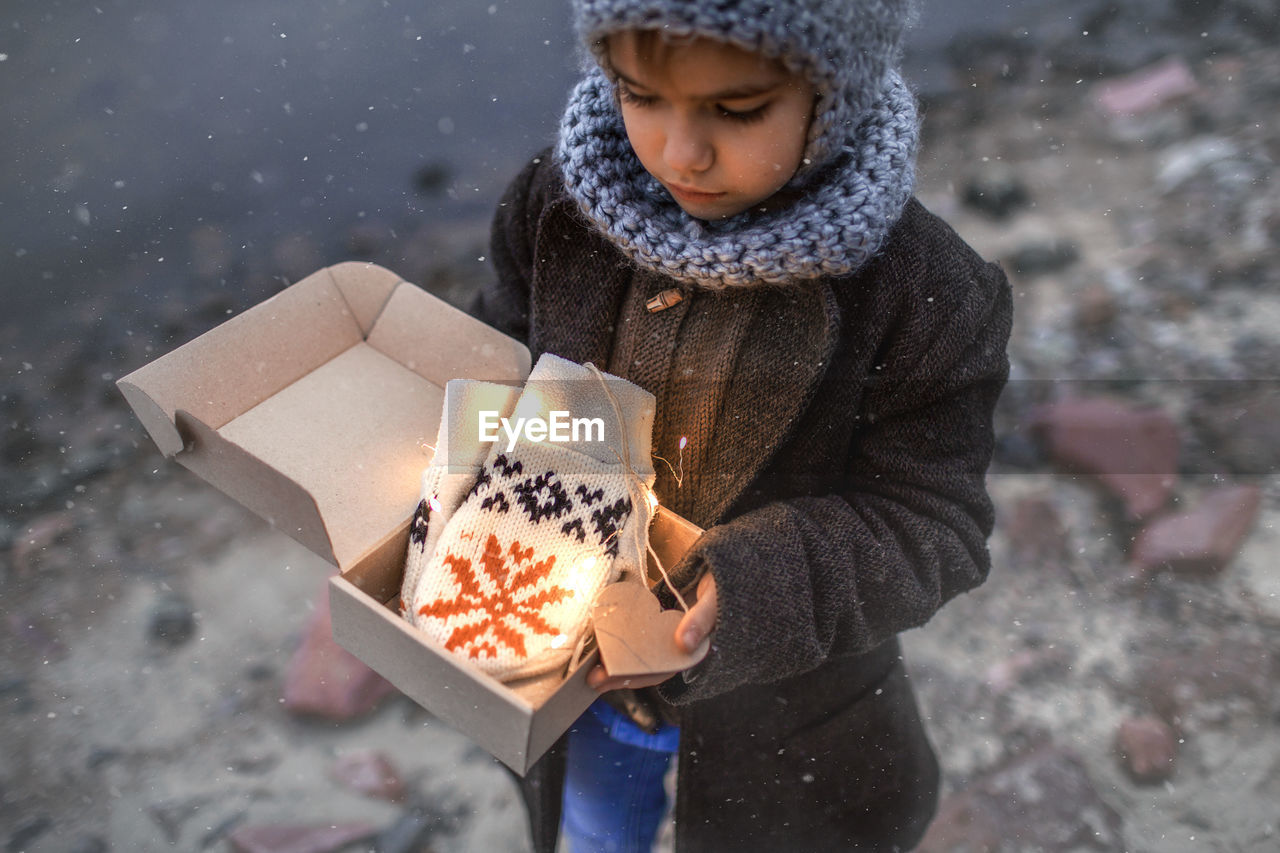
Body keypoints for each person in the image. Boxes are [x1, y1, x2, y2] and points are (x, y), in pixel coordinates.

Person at [470, 0, 1013, 850]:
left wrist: (756, 591)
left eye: (736, 110)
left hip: (784, 723)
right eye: (639, 93)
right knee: (592, 830)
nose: (679, 152)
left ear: (835, 94)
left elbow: (937, 525)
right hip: (576, 687)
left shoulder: (922, 296)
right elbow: (497, 354)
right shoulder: (558, 204)